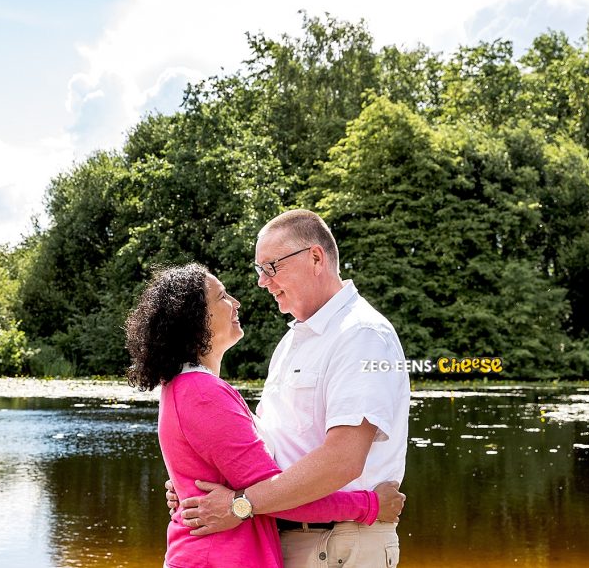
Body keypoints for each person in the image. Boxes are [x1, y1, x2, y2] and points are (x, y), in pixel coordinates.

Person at [172, 210, 411, 567]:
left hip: (340, 543)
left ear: (316, 257)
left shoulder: (361, 335)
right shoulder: (292, 342)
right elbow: (265, 448)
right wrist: (194, 486)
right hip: (289, 535)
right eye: (259, 270)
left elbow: (343, 460)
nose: (262, 282)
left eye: (272, 266)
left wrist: (240, 504)